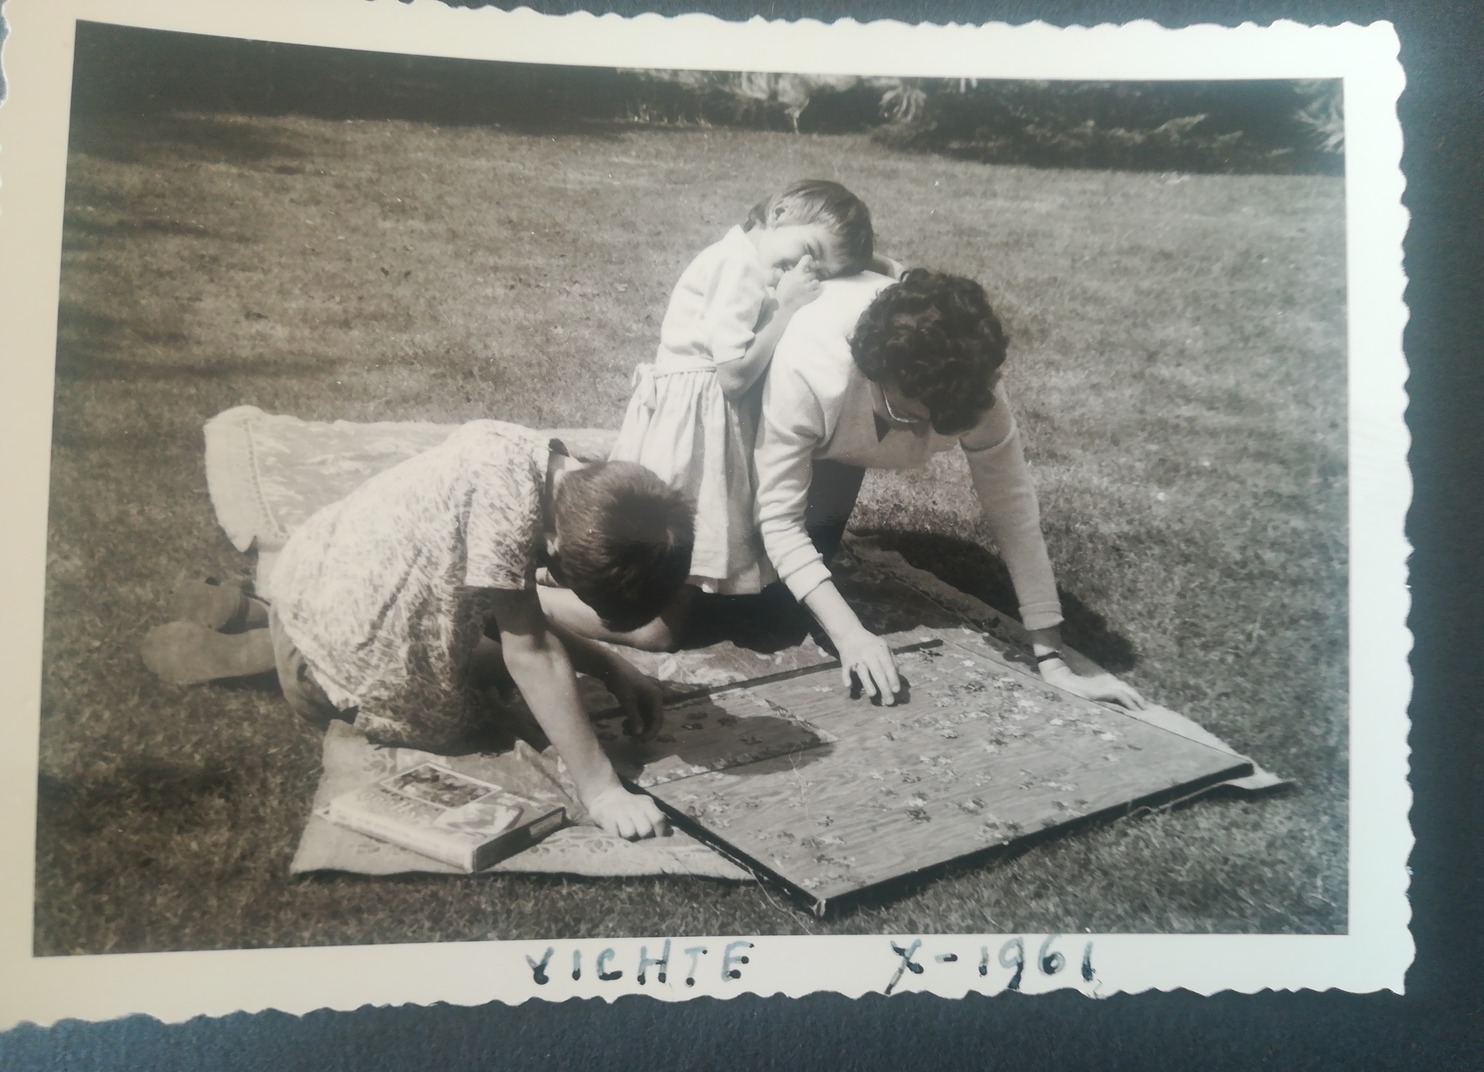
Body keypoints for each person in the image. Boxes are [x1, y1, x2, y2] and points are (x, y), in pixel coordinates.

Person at [141, 421, 694, 840]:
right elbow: (530, 651)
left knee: (476, 638)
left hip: (316, 569)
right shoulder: (510, 517)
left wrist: (610, 666)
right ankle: (275, 658)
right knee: (475, 703)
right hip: (345, 641)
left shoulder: (535, 458)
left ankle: (264, 615)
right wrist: (600, 790)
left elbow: (515, 615)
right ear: (555, 548)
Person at [753, 267, 1149, 711]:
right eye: (906, 415)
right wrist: (851, 636)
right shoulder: (809, 367)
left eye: (936, 422)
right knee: (747, 607)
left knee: (802, 584)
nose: (918, 435)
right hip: (746, 386)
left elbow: (1012, 510)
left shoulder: (970, 385)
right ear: (875, 373)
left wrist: (1052, 658)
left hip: (842, 412)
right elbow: (779, 521)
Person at [540, 181, 877, 648]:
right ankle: (541, 606)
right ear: (779, 212)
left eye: (819, 269)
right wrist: (787, 309)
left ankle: (582, 581)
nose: (803, 270)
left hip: (702, 422)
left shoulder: (746, 257)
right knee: (664, 600)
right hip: (696, 429)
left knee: (660, 556)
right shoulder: (735, 267)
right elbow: (734, 377)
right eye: (808, 250)